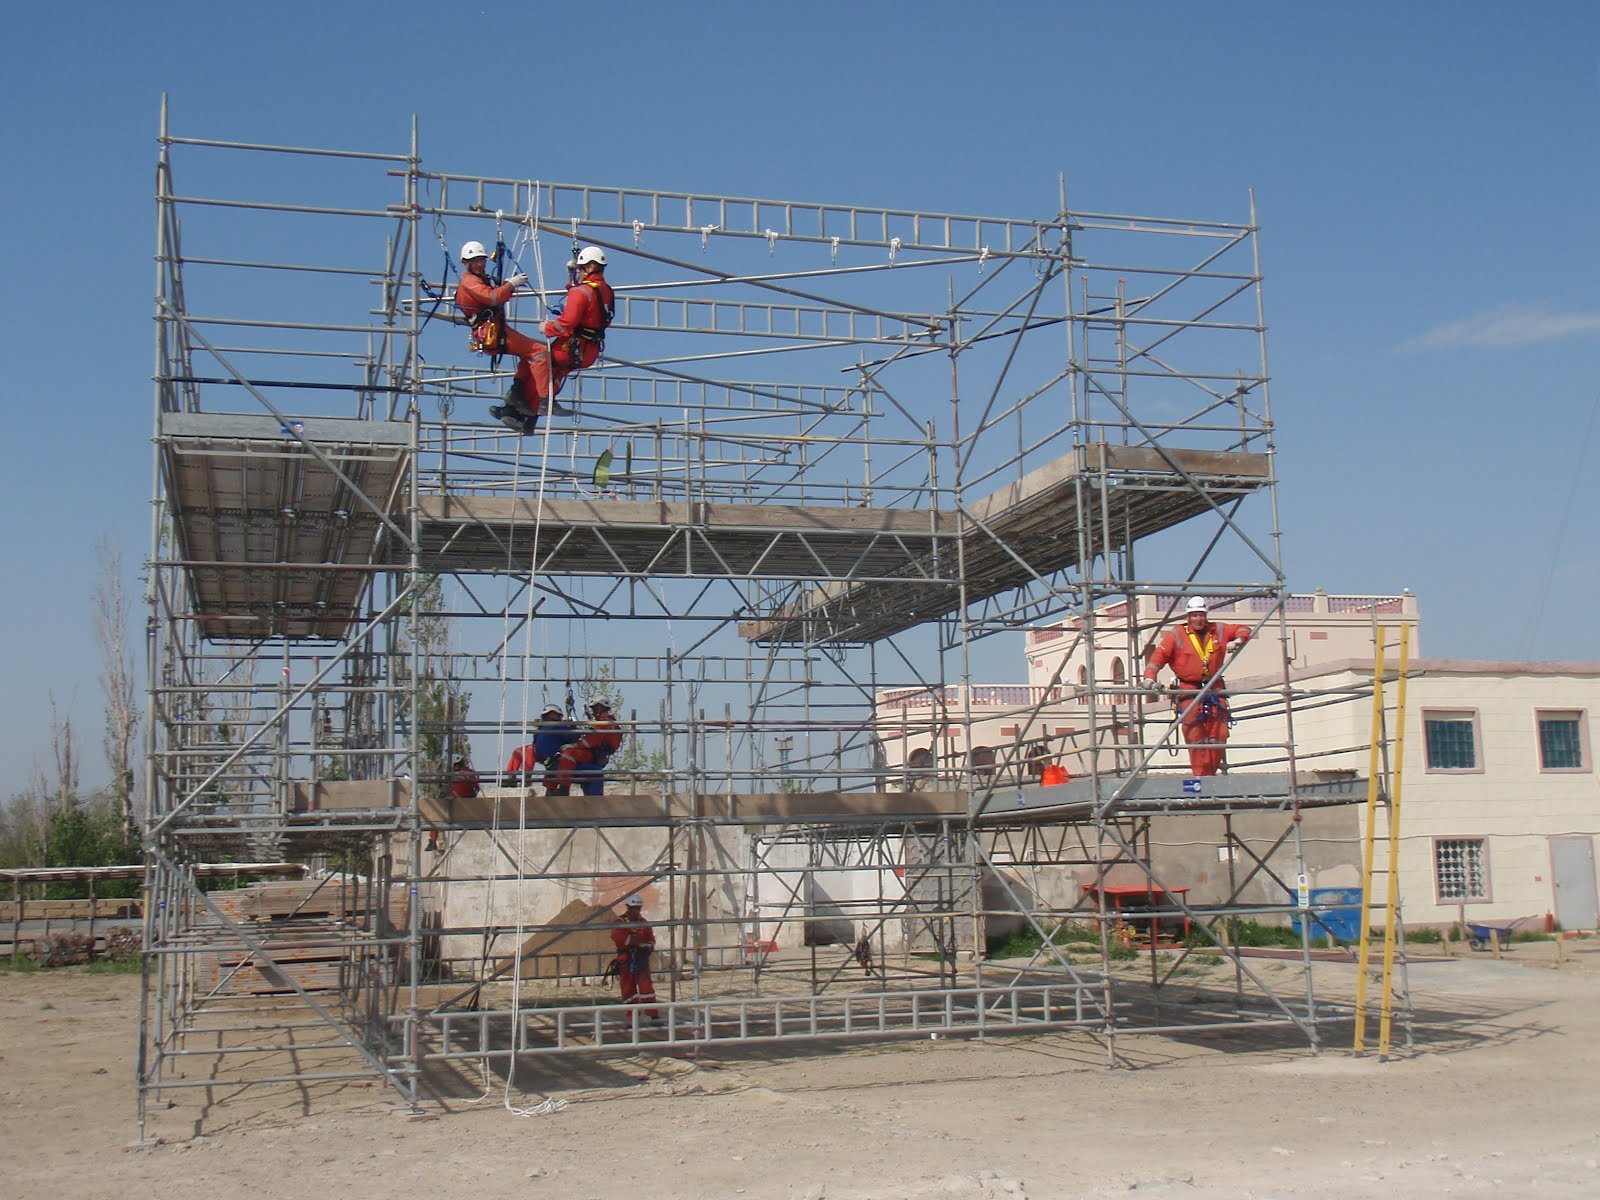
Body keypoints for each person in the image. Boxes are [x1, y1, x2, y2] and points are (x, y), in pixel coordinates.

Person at [1141, 596, 1252, 777]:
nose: (1198, 619)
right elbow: (1157, 659)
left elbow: (1244, 629)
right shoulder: (1177, 634)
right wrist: (1149, 678)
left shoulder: (1219, 630)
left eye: (1201, 615)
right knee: (1195, 734)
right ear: (1188, 617)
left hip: (1213, 688)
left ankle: (1211, 774)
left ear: (1205, 615)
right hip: (1188, 689)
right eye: (1194, 615)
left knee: (1219, 733)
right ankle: (1200, 776)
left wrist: (1238, 640)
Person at [452, 240, 545, 435]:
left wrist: (506, 286)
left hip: (495, 329)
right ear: (466, 263)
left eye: (481, 260)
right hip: (492, 332)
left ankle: (514, 407)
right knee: (540, 352)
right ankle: (530, 399)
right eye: (475, 261)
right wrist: (510, 285)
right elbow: (492, 298)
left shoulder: (477, 279)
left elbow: (494, 296)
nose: (480, 264)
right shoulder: (469, 281)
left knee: (532, 353)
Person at [541, 245, 615, 393]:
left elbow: (567, 322)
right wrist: (571, 277)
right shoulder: (606, 291)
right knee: (559, 371)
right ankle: (549, 399)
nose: (579, 272)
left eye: (581, 269)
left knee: (537, 359)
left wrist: (547, 328)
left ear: (591, 266)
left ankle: (525, 403)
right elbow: (587, 301)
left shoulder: (581, 291)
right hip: (590, 352)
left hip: (571, 348)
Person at [545, 699, 625, 797]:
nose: (595, 711)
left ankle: (564, 789)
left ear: (604, 708)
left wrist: (574, 745)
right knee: (556, 760)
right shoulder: (604, 723)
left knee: (568, 753)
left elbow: (591, 741)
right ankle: (550, 790)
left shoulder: (605, 723)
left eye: (597, 708)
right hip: (593, 753)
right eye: (594, 709)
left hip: (594, 755)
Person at [608, 893, 659, 1021]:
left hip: (641, 959)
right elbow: (617, 937)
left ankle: (652, 1013)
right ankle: (632, 1015)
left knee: (646, 987)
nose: (636, 911)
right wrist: (634, 942)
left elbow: (651, 939)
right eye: (634, 908)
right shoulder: (620, 922)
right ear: (628, 908)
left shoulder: (643, 923)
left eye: (638, 908)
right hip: (626, 960)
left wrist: (647, 946)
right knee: (628, 988)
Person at [504, 706, 581, 785]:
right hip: (539, 752)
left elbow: (572, 736)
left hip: (552, 754)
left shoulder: (559, 726)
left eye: (554, 714)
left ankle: (527, 778)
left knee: (529, 750)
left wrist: (573, 728)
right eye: (550, 714)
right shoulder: (542, 727)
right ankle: (511, 777)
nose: (551, 716)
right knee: (518, 751)